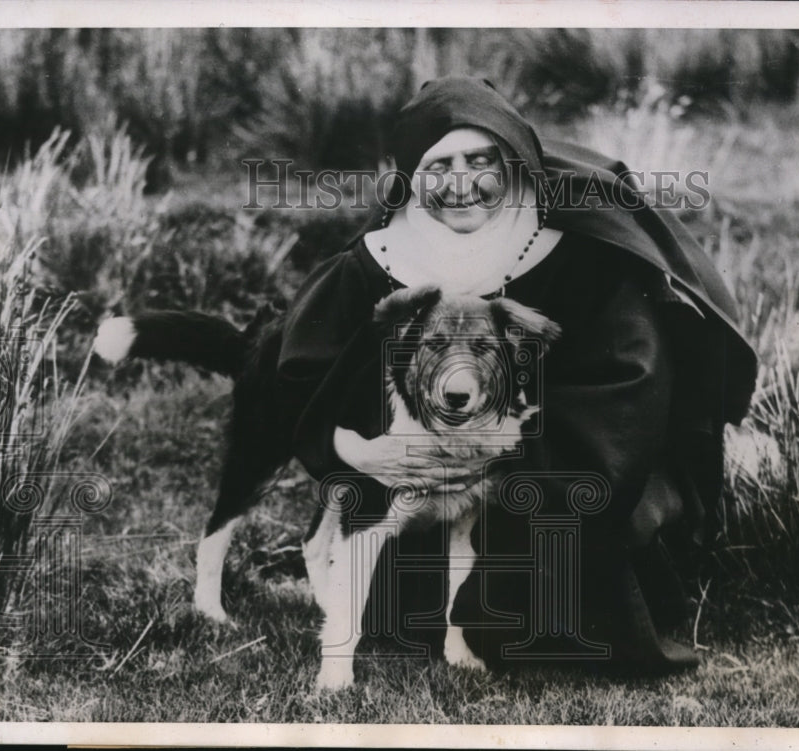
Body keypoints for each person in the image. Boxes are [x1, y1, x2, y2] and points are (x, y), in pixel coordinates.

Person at [276, 77, 756, 675]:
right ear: (409, 178)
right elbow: (311, 380)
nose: (461, 184)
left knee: (546, 601)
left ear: (513, 163)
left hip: (554, 474)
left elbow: (626, 392)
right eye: (438, 166)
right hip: (411, 486)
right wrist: (355, 449)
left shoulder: (580, 255)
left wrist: (496, 454)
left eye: (481, 161)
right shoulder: (378, 260)